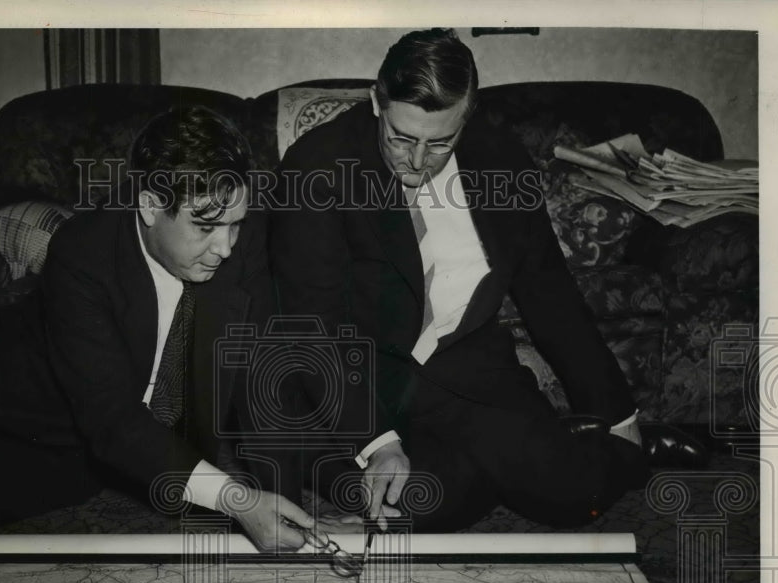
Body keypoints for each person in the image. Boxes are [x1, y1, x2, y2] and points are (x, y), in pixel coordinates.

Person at [0, 106, 313, 551]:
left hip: (78, 449)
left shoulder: (240, 239)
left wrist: (290, 506)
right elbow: (113, 419)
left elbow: (264, 374)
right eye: (206, 226)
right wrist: (239, 501)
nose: (225, 247)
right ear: (149, 206)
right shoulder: (83, 252)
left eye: (235, 223)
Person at [270, 28, 660, 531]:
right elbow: (313, 328)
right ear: (376, 102)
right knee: (428, 503)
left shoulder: (503, 161)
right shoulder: (314, 168)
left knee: (571, 497)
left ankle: (602, 445)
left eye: (440, 143)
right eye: (402, 137)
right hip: (358, 379)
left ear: (467, 116)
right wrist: (379, 444)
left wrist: (619, 416)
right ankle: (510, 459)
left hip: (469, 374)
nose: (416, 160)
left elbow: (551, 296)